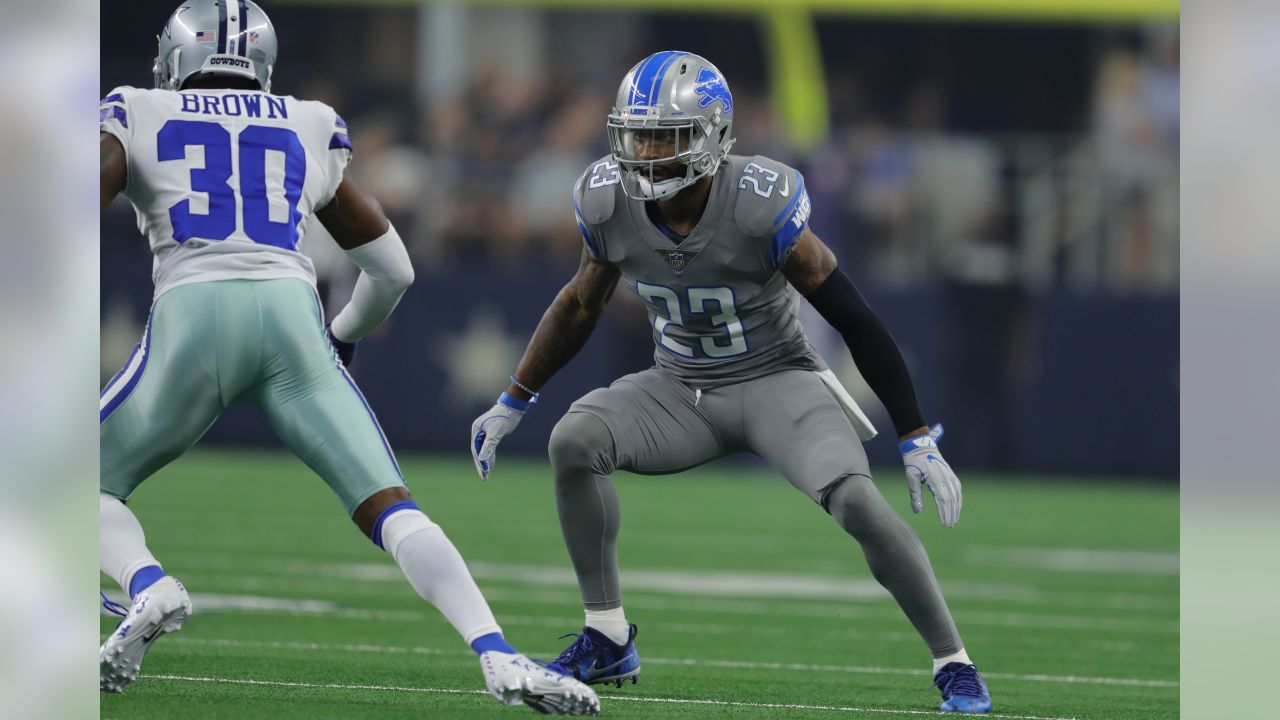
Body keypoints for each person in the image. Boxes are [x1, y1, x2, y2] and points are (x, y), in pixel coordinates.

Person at [98, 2, 598, 714]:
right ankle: (496, 652)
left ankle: (147, 586)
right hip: (293, 314)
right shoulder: (306, 120)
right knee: (394, 509)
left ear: (177, 55)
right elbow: (395, 271)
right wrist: (340, 339)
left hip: (195, 308)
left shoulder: (136, 108)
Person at [469, 51, 991, 714]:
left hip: (779, 382)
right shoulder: (608, 201)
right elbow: (579, 303)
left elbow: (853, 315)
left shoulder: (759, 204)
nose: (647, 150)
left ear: (713, 137)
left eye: (665, 135)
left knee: (858, 501)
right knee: (574, 440)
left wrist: (915, 435)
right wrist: (516, 396)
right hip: (679, 386)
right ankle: (607, 636)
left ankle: (955, 663)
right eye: (639, 133)